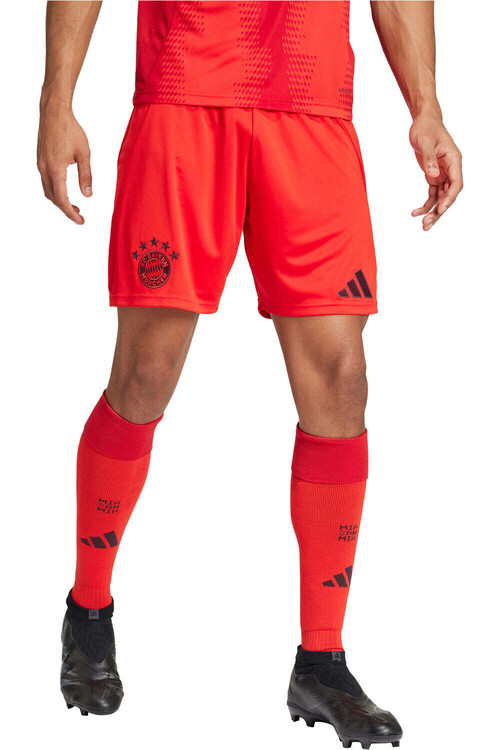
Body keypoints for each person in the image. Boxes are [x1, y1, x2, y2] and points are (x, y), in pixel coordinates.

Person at [38, 1, 462, 743]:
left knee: (341, 381)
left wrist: (426, 106)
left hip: (311, 96)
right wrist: (57, 99)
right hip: (185, 85)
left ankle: (321, 661)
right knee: (144, 376)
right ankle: (89, 609)